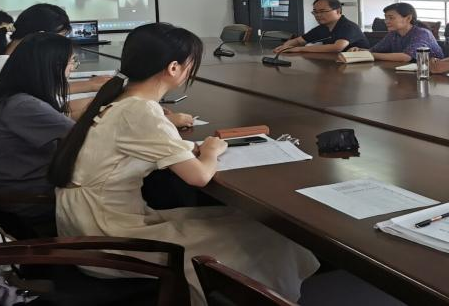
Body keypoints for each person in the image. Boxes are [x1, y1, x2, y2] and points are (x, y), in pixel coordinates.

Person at [48, 23, 319, 304]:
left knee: (243, 222)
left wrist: (187, 145)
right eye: (191, 64)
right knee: (266, 239)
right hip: (109, 236)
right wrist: (211, 150)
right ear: (174, 68)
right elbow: (198, 177)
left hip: (90, 224)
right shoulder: (140, 110)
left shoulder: (122, 98)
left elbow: (144, 144)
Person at [0, 32, 76, 231]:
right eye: (71, 63)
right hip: (28, 200)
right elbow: (83, 137)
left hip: (2, 189)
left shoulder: (4, 93)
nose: (72, 69)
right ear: (53, 67)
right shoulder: (24, 105)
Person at [0, 4, 111, 138]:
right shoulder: (5, 65)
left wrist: (91, 87)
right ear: (40, 36)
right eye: (59, 37)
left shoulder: (4, 49)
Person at [348, 2, 443, 62]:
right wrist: (359, 50)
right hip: (405, 74)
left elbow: (406, 57)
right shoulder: (393, 34)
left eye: (391, 18)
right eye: (386, 18)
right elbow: (374, 50)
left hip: (433, 76)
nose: (386, 21)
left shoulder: (422, 33)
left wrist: (369, 55)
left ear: (408, 18)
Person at [273, 0, 369, 53]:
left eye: (323, 11)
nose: (318, 15)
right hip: (334, 64)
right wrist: (285, 47)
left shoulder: (348, 26)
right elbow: (299, 41)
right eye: (315, 12)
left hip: (359, 68)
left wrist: (299, 49)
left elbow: (337, 47)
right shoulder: (323, 27)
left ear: (338, 11)